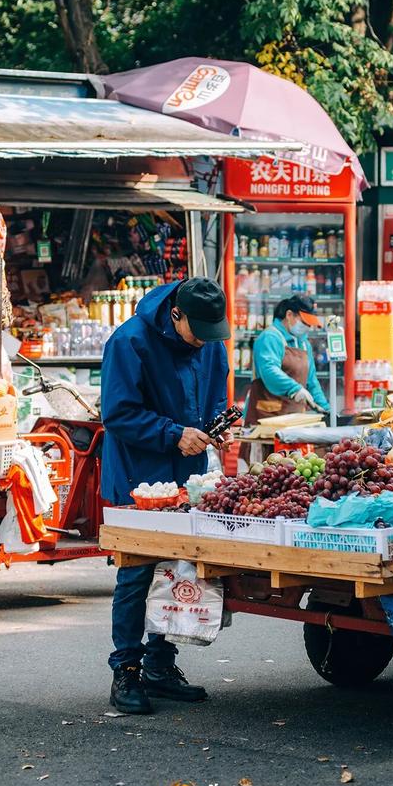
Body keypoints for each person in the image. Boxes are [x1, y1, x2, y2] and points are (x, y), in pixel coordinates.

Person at [100, 276, 231, 715]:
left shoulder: (210, 339)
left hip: (186, 473)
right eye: (198, 334)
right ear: (176, 314)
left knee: (178, 569)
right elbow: (118, 414)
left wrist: (219, 426)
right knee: (136, 574)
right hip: (139, 475)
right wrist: (174, 434)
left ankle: (160, 664)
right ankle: (126, 672)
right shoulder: (130, 342)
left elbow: (215, 394)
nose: (204, 344)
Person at [244, 295, 329, 430]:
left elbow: (312, 381)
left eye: (309, 324)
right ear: (289, 315)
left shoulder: (304, 344)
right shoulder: (270, 337)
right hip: (265, 419)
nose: (307, 327)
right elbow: (269, 370)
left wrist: (326, 410)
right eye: (304, 322)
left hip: (294, 422)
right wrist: (295, 389)